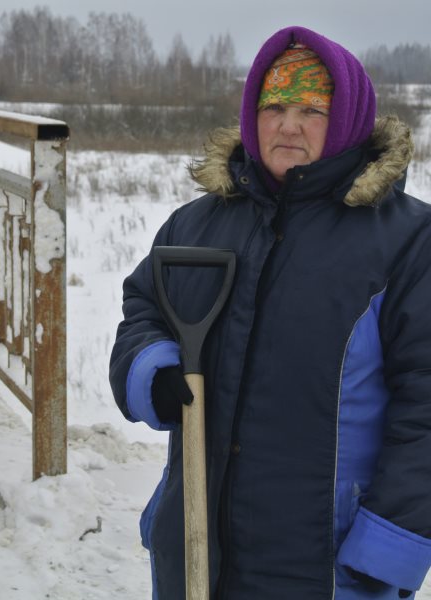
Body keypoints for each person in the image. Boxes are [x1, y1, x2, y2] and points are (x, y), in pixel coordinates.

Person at [109, 25, 431, 600]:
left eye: (312, 108)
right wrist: (153, 370)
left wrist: (388, 546)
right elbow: (143, 307)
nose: (287, 124)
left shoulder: (407, 241)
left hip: (327, 567)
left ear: (349, 120)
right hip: (195, 551)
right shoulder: (199, 223)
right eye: (274, 104)